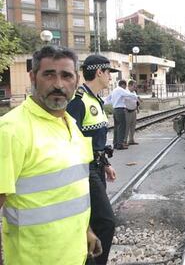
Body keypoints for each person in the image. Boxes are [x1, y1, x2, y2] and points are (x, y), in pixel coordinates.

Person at [0, 46, 102, 264]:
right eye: (49, 74)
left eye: (66, 75)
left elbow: (69, 192)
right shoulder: (11, 130)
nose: (58, 84)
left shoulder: (70, 123)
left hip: (75, 254)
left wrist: (86, 231)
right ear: (33, 77)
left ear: (76, 81)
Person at [67, 54, 118, 265]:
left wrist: (105, 164)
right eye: (109, 73)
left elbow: (95, 140)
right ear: (99, 72)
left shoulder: (95, 99)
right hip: (85, 170)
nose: (110, 78)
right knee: (107, 222)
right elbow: (72, 140)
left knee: (95, 221)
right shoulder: (78, 102)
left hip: (97, 167)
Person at [105, 79, 138, 150]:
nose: (125, 88)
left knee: (116, 127)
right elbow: (128, 94)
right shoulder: (120, 90)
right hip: (120, 110)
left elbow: (107, 99)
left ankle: (115, 143)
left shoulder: (114, 90)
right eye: (125, 86)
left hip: (115, 110)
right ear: (123, 85)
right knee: (122, 127)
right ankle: (120, 144)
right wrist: (136, 97)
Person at [124, 80, 141, 145]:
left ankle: (131, 140)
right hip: (127, 111)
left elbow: (136, 101)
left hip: (133, 111)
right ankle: (125, 140)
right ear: (129, 86)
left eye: (135, 86)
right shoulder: (125, 92)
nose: (135, 88)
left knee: (133, 126)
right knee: (127, 127)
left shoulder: (134, 92)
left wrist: (137, 108)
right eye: (134, 86)